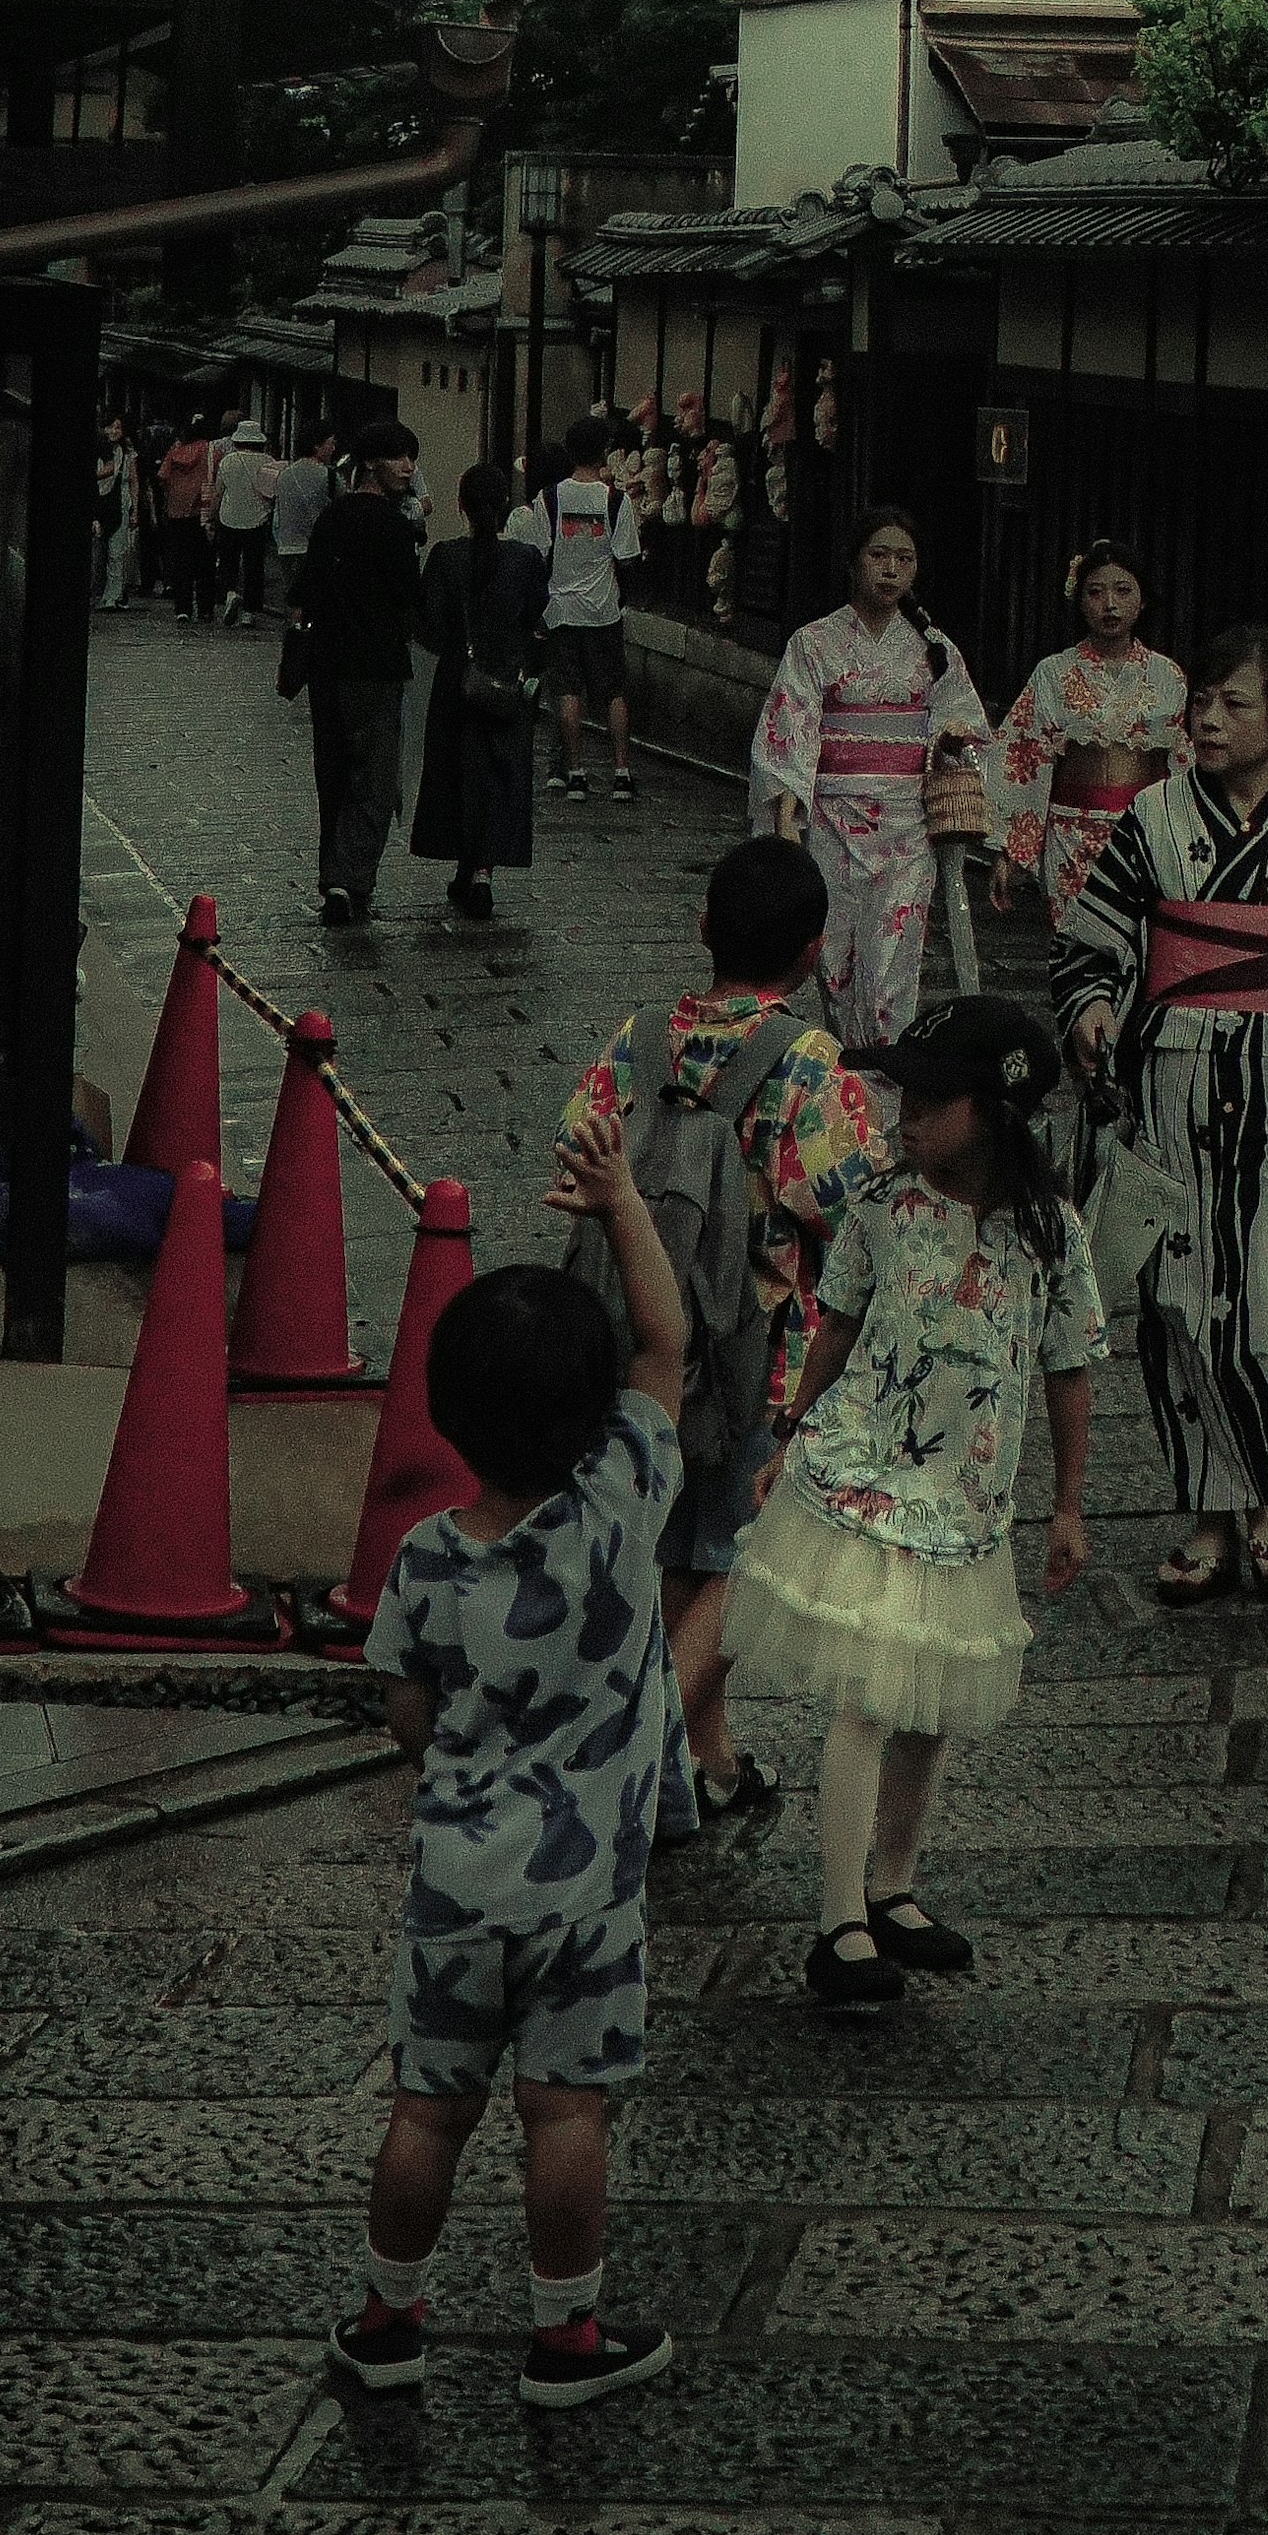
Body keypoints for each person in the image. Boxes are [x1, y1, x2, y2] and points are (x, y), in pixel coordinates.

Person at [329, 1123, 690, 2412]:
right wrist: (621, 1201)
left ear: (447, 1414)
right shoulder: (621, 1501)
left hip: (454, 1883)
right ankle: (566, 2340)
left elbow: (406, 1715)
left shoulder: (427, 1559)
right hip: (585, 1887)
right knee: (564, 2111)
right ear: (595, 1417)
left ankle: (388, 2317)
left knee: (428, 2111)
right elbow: (666, 1344)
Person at [719, 987, 1100, 2008]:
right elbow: (835, 1324)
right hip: (867, 1478)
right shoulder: (886, 1208)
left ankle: (893, 1885)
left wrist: (1067, 1502)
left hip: (965, 1497)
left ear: (994, 1110)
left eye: (928, 1103)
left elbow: (1070, 1367)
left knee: (927, 1696)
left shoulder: (1050, 1234)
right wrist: (791, 1427)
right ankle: (839, 1916)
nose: (905, 1120)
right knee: (869, 1694)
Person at [566, 830, 883, 1827]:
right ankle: (639, 1743)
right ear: (813, 952)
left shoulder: (640, 1035)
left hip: (642, 1343)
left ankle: (711, 1758)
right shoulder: (808, 1061)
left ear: (703, 929)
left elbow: (580, 1144)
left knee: (675, 1551)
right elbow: (855, 1206)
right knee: (751, 1563)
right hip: (765, 1356)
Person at [1055, 615, 1268, 1607]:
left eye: (1236, 704)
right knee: (1179, 1304)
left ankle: (1265, 1502)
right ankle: (1217, 1514)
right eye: (1203, 703)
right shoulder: (1152, 818)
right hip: (1172, 1086)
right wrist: (1094, 1003)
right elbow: (1095, 936)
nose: (1211, 721)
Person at [750, 507, 993, 1053]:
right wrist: (788, 823)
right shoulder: (813, 643)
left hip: (907, 830)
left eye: (904, 559)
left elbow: (969, 726)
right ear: (853, 562)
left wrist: (950, 737)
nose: (890, 570)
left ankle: (882, 1093)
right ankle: (851, 1077)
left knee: (891, 967)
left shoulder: (933, 648)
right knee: (832, 963)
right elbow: (792, 729)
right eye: (878, 555)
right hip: (832, 822)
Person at [993, 539, 1186, 947]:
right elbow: (1024, 756)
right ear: (1079, 601)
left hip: (1145, 833)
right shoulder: (1054, 673)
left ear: (1143, 599)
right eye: (1095, 592)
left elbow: (1185, 765)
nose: (1109, 604)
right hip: (1071, 835)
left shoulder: (1169, 677)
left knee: (1144, 951)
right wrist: (1014, 848)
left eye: (1123, 591)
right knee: (1077, 953)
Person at [298, 426, 424, 928]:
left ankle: (332, 875)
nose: (409, 467)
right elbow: (410, 601)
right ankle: (352, 878)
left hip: (327, 664)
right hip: (375, 668)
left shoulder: (332, 518)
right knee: (373, 777)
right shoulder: (395, 528)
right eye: (399, 458)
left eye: (411, 458)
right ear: (372, 464)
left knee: (332, 770)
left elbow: (307, 589)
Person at [412, 461, 543, 926]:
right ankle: (481, 871)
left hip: (458, 682)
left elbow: (425, 625)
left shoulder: (446, 557)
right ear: (506, 505)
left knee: (458, 774)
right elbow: (536, 621)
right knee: (499, 775)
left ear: (460, 505)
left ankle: (467, 865)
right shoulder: (526, 559)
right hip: (508, 683)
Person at [536, 412, 641, 805]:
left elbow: (539, 553)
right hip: (603, 609)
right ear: (604, 454)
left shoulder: (549, 497)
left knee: (568, 690)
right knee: (614, 690)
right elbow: (628, 557)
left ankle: (575, 773)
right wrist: (619, 596)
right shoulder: (615, 500)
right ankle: (621, 773)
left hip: (562, 608)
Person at [208, 413, 280, 626]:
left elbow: (218, 492)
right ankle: (249, 612)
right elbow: (273, 493)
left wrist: (211, 517)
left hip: (229, 517)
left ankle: (230, 594)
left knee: (228, 562)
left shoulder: (228, 461)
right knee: (254, 567)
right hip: (257, 521)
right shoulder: (268, 462)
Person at [267, 424, 335, 621]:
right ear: (316, 446)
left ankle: (296, 632)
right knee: (318, 595)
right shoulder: (328, 476)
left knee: (294, 596)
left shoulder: (285, 475)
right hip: (316, 546)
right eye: (330, 443)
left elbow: (278, 512)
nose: (333, 448)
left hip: (287, 545)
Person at [153, 415, 213, 619]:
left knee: (181, 561)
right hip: (202, 510)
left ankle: (183, 608)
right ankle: (205, 609)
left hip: (176, 511)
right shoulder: (209, 449)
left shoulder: (175, 450)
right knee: (205, 561)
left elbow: (162, 476)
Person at [93, 416, 145, 615]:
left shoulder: (127, 454)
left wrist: (135, 509)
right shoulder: (98, 449)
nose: (114, 431)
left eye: (118, 427)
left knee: (117, 552)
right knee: (101, 554)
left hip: (120, 504)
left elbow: (133, 481)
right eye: (111, 426)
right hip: (99, 501)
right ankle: (106, 593)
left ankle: (112, 596)